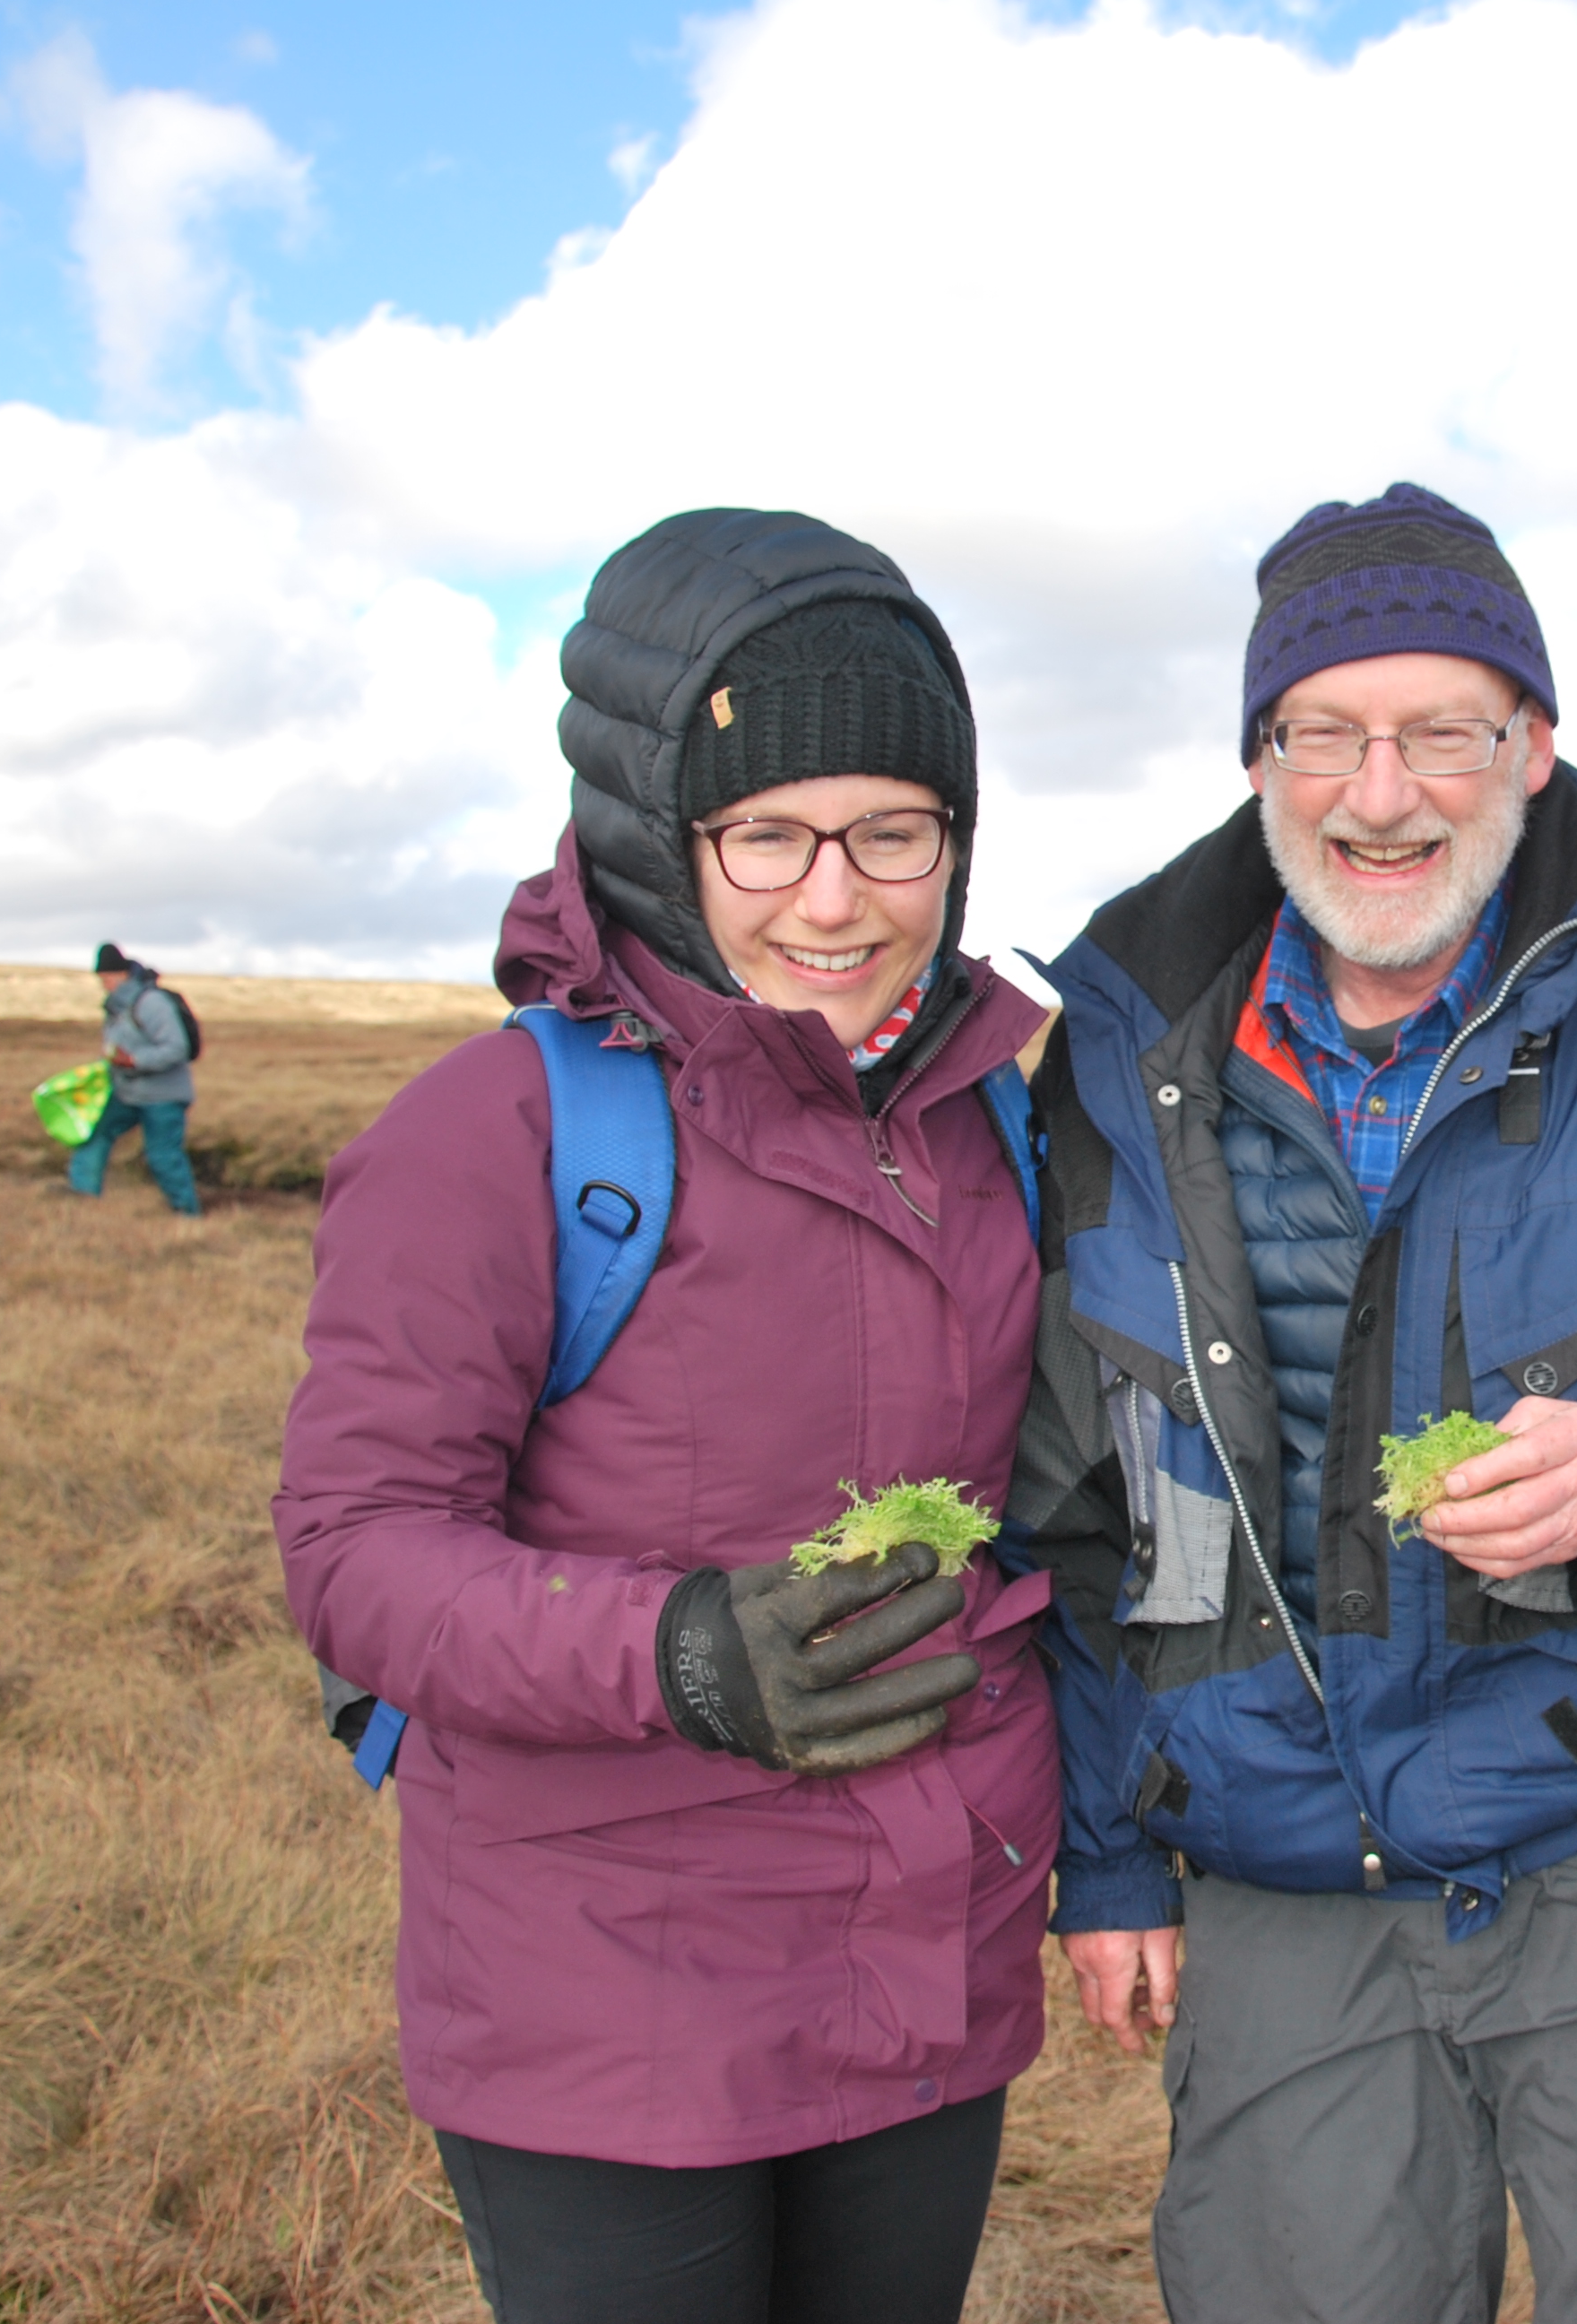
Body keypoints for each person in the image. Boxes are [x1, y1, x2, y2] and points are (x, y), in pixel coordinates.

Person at [1008, 482, 1577, 2324]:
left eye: (1442, 734)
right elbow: (1083, 1502)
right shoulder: (1108, 1058)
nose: (1376, 792)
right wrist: (1102, 1853)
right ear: (1259, 758)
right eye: (1322, 732)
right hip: (1274, 1867)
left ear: (1536, 750)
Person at [273, 509, 1059, 2324]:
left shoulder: (991, 1119)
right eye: (765, 836)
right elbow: (357, 1553)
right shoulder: (502, 1135)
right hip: (601, 1984)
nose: (838, 899)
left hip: (919, 1964)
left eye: (893, 832)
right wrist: (681, 1649)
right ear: (657, 835)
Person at [70, 943, 200, 1215]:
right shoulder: (117, 1009)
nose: (103, 985)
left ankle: (187, 1214)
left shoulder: (151, 1003)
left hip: (164, 1096)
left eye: (106, 979)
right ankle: (82, 1201)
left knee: (164, 1157)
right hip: (127, 1092)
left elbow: (177, 1048)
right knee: (94, 1135)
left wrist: (134, 1061)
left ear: (122, 975)